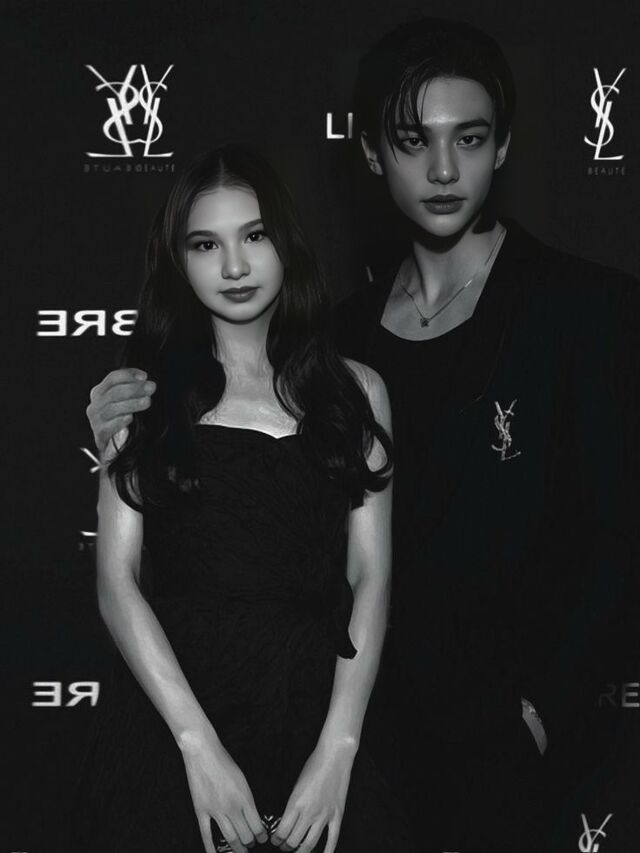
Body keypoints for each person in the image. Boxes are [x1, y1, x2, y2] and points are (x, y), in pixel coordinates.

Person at [85, 19, 639, 853]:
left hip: (496, 752)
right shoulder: (340, 343)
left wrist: (540, 714)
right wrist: (125, 419)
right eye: (414, 141)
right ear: (374, 154)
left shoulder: (590, 311)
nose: (443, 170)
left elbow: (620, 539)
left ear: (504, 146)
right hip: (357, 735)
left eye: (470, 138)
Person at [71, 144, 411, 853]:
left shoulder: (356, 392)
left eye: (254, 236)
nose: (233, 266)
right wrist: (197, 747)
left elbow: (371, 576)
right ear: (179, 260)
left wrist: (339, 749)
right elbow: (116, 582)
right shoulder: (141, 395)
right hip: (175, 718)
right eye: (205, 244)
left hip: (315, 709)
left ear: (285, 240)